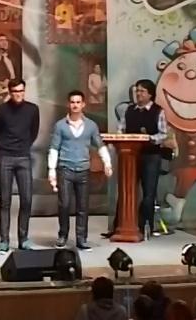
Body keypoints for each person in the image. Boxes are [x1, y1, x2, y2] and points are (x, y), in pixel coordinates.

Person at [49, 91, 113, 251]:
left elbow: (99, 144)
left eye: (78, 102)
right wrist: (51, 170)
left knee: (83, 207)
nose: (75, 105)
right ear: (68, 104)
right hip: (65, 169)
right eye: (72, 102)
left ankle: (81, 239)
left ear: (83, 104)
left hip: (83, 169)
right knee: (64, 204)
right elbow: (54, 148)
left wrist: (107, 162)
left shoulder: (91, 125)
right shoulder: (60, 125)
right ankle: (63, 235)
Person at [0, 78, 40, 251]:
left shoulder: (32, 109)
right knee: (5, 200)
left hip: (23, 156)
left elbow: (34, 132)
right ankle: (4, 240)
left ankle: (23, 238)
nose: (18, 94)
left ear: (24, 91)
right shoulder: (1, 110)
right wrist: (4, 147)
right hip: (5, 156)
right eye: (15, 92)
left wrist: (24, 146)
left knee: (26, 199)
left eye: (21, 91)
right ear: (10, 92)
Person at [117, 80, 168, 237]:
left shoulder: (158, 111)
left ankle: (145, 226)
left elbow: (163, 134)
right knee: (126, 191)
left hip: (151, 156)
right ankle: (121, 226)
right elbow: (120, 130)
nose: (138, 94)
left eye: (142, 91)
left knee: (148, 194)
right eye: (137, 91)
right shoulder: (129, 110)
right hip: (130, 156)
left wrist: (149, 139)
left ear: (150, 94)